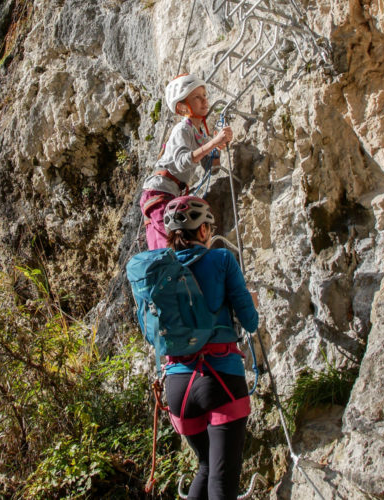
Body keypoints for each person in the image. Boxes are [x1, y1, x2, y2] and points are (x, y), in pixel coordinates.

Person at [161, 196, 258, 500]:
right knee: (222, 480)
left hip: (178, 387)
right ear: (203, 231)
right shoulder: (222, 260)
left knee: (204, 466)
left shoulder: (160, 270)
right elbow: (250, 322)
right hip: (220, 378)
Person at [140, 74, 233, 250]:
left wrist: (217, 147)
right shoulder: (182, 129)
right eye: (197, 97)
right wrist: (212, 143)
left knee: (170, 246)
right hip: (158, 192)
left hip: (169, 193)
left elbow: (212, 169)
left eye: (204, 95)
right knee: (171, 246)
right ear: (182, 107)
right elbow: (183, 162)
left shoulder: (200, 134)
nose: (204, 101)